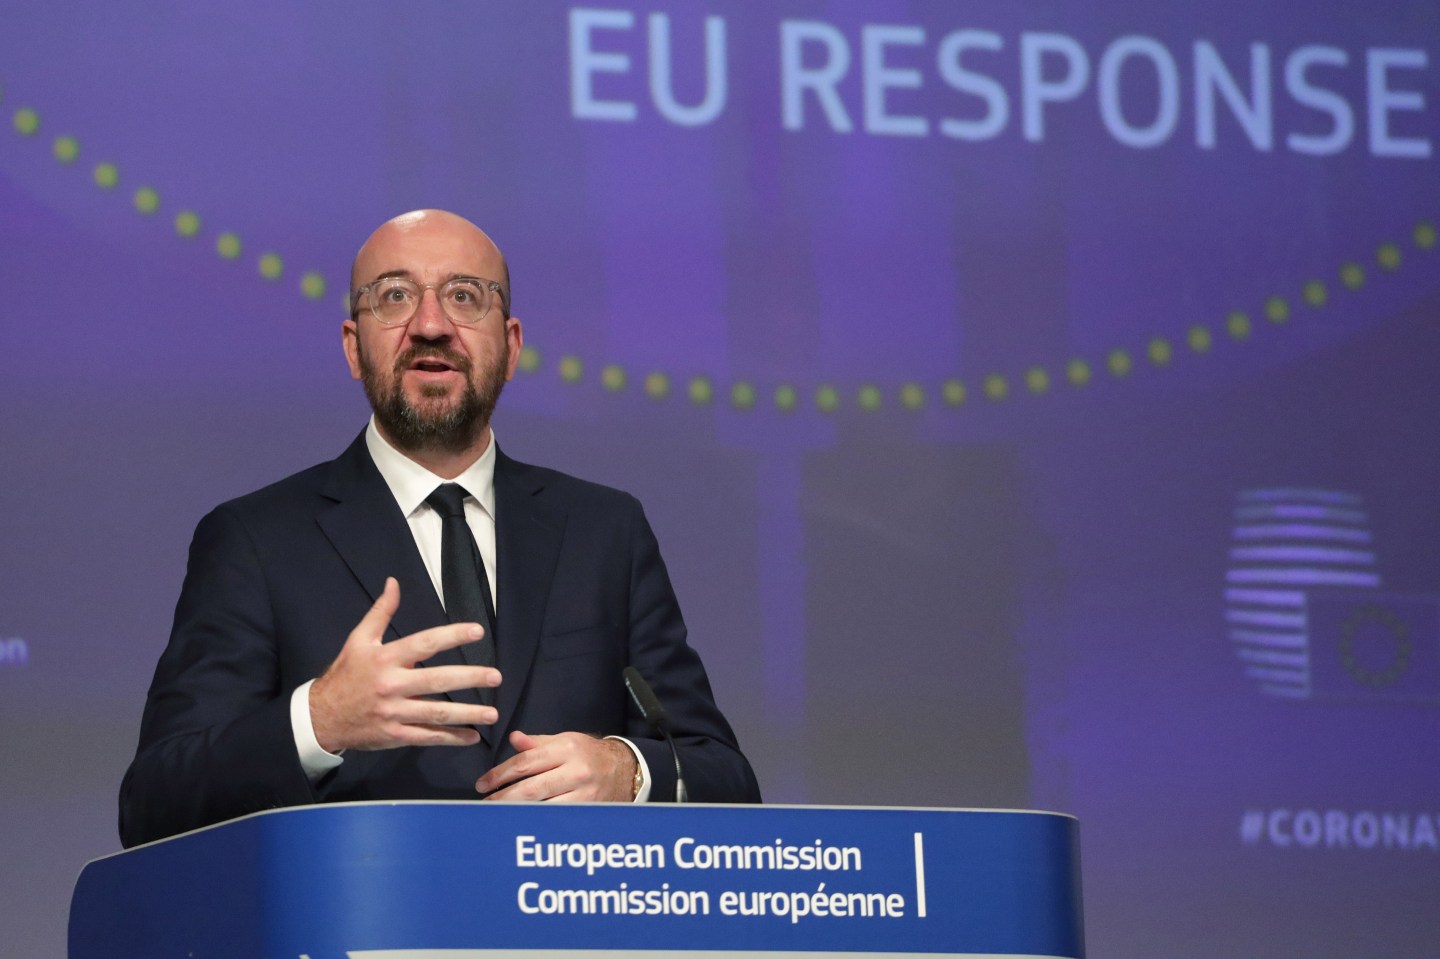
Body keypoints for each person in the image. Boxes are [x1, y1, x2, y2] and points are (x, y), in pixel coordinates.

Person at [119, 210, 760, 847]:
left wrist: (627, 770)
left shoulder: (604, 530)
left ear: (510, 347)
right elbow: (154, 804)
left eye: (464, 297)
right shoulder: (255, 540)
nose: (431, 326)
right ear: (352, 346)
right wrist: (318, 721)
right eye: (395, 296)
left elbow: (724, 776)